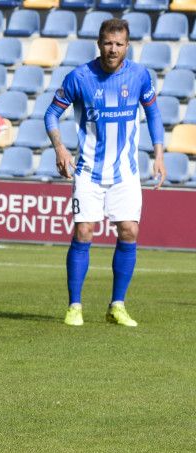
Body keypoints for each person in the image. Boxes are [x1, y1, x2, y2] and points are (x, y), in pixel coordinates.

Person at [44, 18, 164, 328]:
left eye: (119, 44)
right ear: (99, 44)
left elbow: (153, 114)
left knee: (130, 231)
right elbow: (51, 114)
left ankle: (117, 305)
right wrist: (59, 148)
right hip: (88, 171)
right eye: (108, 43)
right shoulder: (80, 77)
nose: (113, 49)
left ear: (127, 46)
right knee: (84, 231)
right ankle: (74, 306)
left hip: (125, 172)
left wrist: (159, 155)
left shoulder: (139, 75)